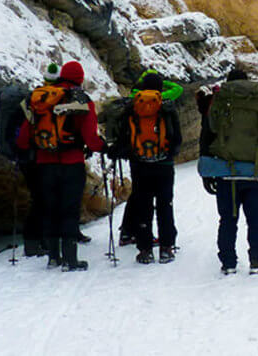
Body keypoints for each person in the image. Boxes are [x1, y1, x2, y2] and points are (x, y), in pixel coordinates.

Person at [16, 60, 105, 271]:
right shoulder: (82, 101)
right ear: (80, 79)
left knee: (50, 210)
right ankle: (71, 259)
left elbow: (23, 139)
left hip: (44, 165)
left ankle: (53, 257)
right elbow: (91, 139)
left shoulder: (40, 99)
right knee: (69, 211)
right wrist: (103, 146)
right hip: (72, 164)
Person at [198, 69, 258, 275]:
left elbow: (208, 135)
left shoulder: (220, 101)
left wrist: (207, 172)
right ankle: (257, 260)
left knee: (227, 219)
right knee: (256, 219)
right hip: (254, 171)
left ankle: (228, 262)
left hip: (226, 172)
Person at [113, 71, 182, 264]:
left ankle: (145, 250)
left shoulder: (132, 107)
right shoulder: (167, 107)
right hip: (164, 166)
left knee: (143, 206)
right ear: (161, 88)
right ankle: (167, 248)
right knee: (165, 206)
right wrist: (169, 154)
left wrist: (131, 154)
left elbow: (124, 138)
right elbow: (177, 139)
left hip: (140, 166)